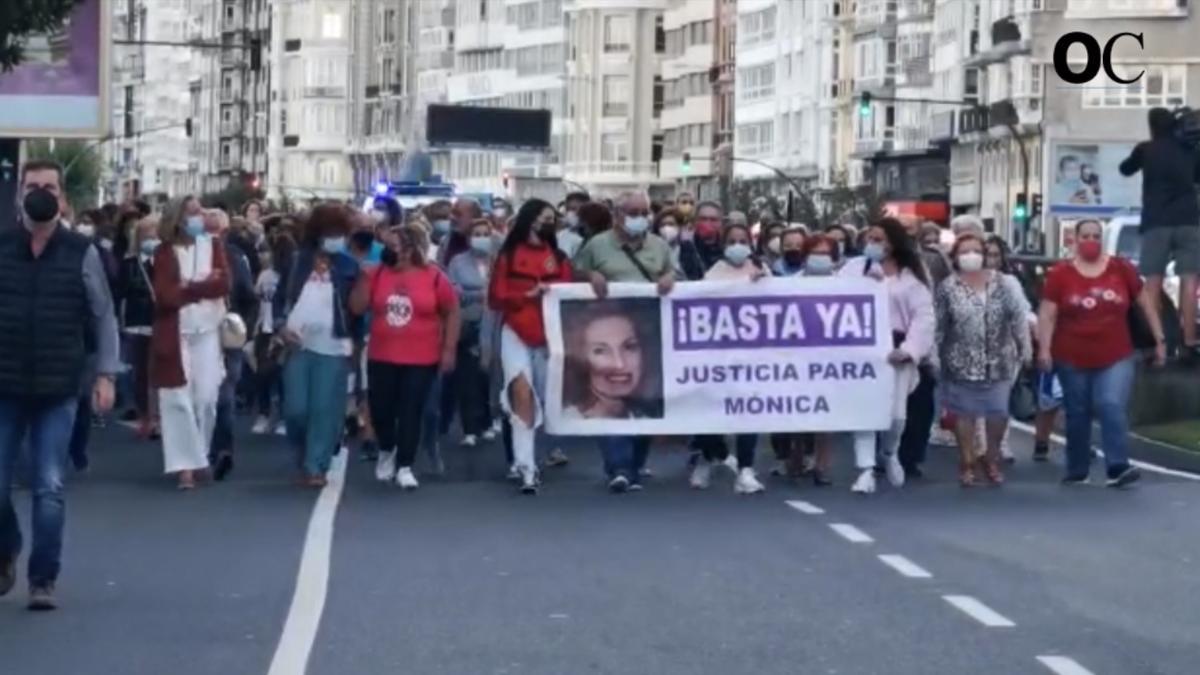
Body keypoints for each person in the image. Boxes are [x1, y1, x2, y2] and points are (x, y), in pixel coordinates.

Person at [0, 160, 120, 611]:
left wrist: (106, 374)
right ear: (20, 194)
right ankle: (7, 547)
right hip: (4, 384)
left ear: (63, 198)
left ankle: (42, 578)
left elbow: (103, 316)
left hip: (59, 387)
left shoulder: (81, 252)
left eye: (49, 187)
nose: (41, 194)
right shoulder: (2, 246)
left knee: (48, 485)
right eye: (33, 186)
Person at [1037, 219, 1165, 487]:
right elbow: (1048, 313)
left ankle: (1117, 466)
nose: (1091, 241)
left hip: (1116, 353)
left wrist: (1159, 338)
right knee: (1077, 411)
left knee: (1111, 404)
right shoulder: (1061, 274)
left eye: (1096, 236)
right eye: (1086, 236)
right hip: (1071, 355)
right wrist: (1045, 348)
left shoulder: (1121, 269)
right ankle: (1077, 468)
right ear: (1075, 239)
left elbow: (1145, 303)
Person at [573, 191, 675, 493]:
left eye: (644, 212)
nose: (640, 218)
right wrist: (590, 275)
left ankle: (635, 464)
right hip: (607, 331)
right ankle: (618, 466)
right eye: (633, 212)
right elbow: (574, 274)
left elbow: (673, 273)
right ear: (617, 215)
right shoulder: (597, 245)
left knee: (645, 397)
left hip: (649, 332)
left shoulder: (659, 246)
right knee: (609, 397)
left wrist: (670, 277)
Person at [350, 224, 460, 490]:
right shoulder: (376, 274)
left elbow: (452, 311)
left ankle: (405, 465)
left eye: (395, 246)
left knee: (411, 409)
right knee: (381, 409)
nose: (389, 251)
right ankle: (387, 448)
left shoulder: (433, 276)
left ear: (411, 249)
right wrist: (363, 280)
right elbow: (356, 308)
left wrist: (448, 349)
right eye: (387, 246)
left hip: (421, 357)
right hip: (382, 354)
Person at [838, 218, 935, 495]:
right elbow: (832, 298)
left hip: (896, 350)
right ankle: (865, 469)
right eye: (869, 238)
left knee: (896, 416)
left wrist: (910, 350)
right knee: (865, 412)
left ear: (893, 243)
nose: (873, 244)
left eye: (879, 239)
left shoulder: (911, 277)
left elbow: (924, 317)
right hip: (861, 348)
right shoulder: (853, 269)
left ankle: (889, 452)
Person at [488, 200, 574, 493]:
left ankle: (539, 453)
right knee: (521, 394)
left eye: (552, 219)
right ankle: (526, 466)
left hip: (550, 335)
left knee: (546, 399)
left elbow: (570, 294)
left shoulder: (558, 258)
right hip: (515, 332)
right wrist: (526, 294)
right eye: (544, 218)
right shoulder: (509, 256)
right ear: (530, 220)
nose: (549, 223)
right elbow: (496, 297)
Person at [935, 232, 1032, 487]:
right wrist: (934, 356)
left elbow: (1018, 318)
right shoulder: (948, 288)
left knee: (998, 412)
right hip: (960, 360)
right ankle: (967, 461)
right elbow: (940, 325)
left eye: (976, 251)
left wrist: (1026, 349)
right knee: (964, 412)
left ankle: (991, 458)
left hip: (999, 360)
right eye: (965, 251)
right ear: (956, 257)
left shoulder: (1004, 284)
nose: (971, 256)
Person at [276, 204, 360, 487]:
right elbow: (280, 298)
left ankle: (316, 465)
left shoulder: (348, 266)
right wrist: (281, 326)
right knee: (296, 409)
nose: (337, 238)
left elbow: (355, 310)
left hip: (334, 347)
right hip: (298, 345)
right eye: (331, 232)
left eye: (341, 233)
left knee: (324, 408)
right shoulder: (298, 261)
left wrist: (356, 343)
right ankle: (305, 451)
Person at [150, 196, 231, 491]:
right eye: (194, 212)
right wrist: (204, 286)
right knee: (177, 400)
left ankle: (200, 454)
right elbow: (165, 296)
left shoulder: (213, 245)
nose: (200, 216)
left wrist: (189, 287)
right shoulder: (164, 252)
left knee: (206, 398)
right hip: (176, 334)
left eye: (201, 211)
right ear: (178, 218)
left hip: (207, 331)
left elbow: (224, 284)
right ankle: (185, 465)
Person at [690, 223, 768, 495]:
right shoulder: (714, 273)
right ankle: (709, 456)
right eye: (732, 241)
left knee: (750, 411)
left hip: (752, 355)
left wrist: (762, 283)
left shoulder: (761, 269)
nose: (738, 246)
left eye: (743, 240)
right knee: (712, 410)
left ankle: (746, 469)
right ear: (724, 245)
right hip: (718, 355)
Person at [1120, 107, 1200, 357]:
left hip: (1156, 223)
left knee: (1153, 283)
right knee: (1190, 280)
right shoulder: (1191, 149)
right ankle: (1189, 340)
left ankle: (1158, 341)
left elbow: (1125, 169)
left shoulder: (1146, 149)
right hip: (1189, 221)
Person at [769, 232, 838, 485]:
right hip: (796, 354)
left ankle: (822, 466)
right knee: (798, 409)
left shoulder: (845, 283)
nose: (820, 258)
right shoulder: (791, 283)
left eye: (825, 254)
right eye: (815, 253)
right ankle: (794, 457)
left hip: (831, 356)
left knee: (827, 414)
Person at [208, 209, 255, 481]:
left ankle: (220, 448)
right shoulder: (189, 256)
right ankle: (213, 447)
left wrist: (241, 327)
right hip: (204, 333)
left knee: (222, 393)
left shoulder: (235, 258)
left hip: (224, 334)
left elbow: (248, 296)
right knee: (212, 393)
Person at [447, 218, 500, 447]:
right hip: (468, 324)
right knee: (468, 377)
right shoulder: (458, 262)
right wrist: (479, 294)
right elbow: (453, 290)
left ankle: (489, 421)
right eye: (477, 234)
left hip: (494, 324)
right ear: (469, 238)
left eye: (485, 234)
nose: (481, 238)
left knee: (489, 376)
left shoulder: (498, 262)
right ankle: (470, 428)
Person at [117, 215, 160, 439]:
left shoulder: (166, 262)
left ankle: (156, 418)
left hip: (160, 322)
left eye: (155, 233)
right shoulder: (129, 264)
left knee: (156, 372)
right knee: (139, 374)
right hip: (136, 323)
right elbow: (120, 292)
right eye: (146, 234)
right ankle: (145, 415)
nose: (151, 238)